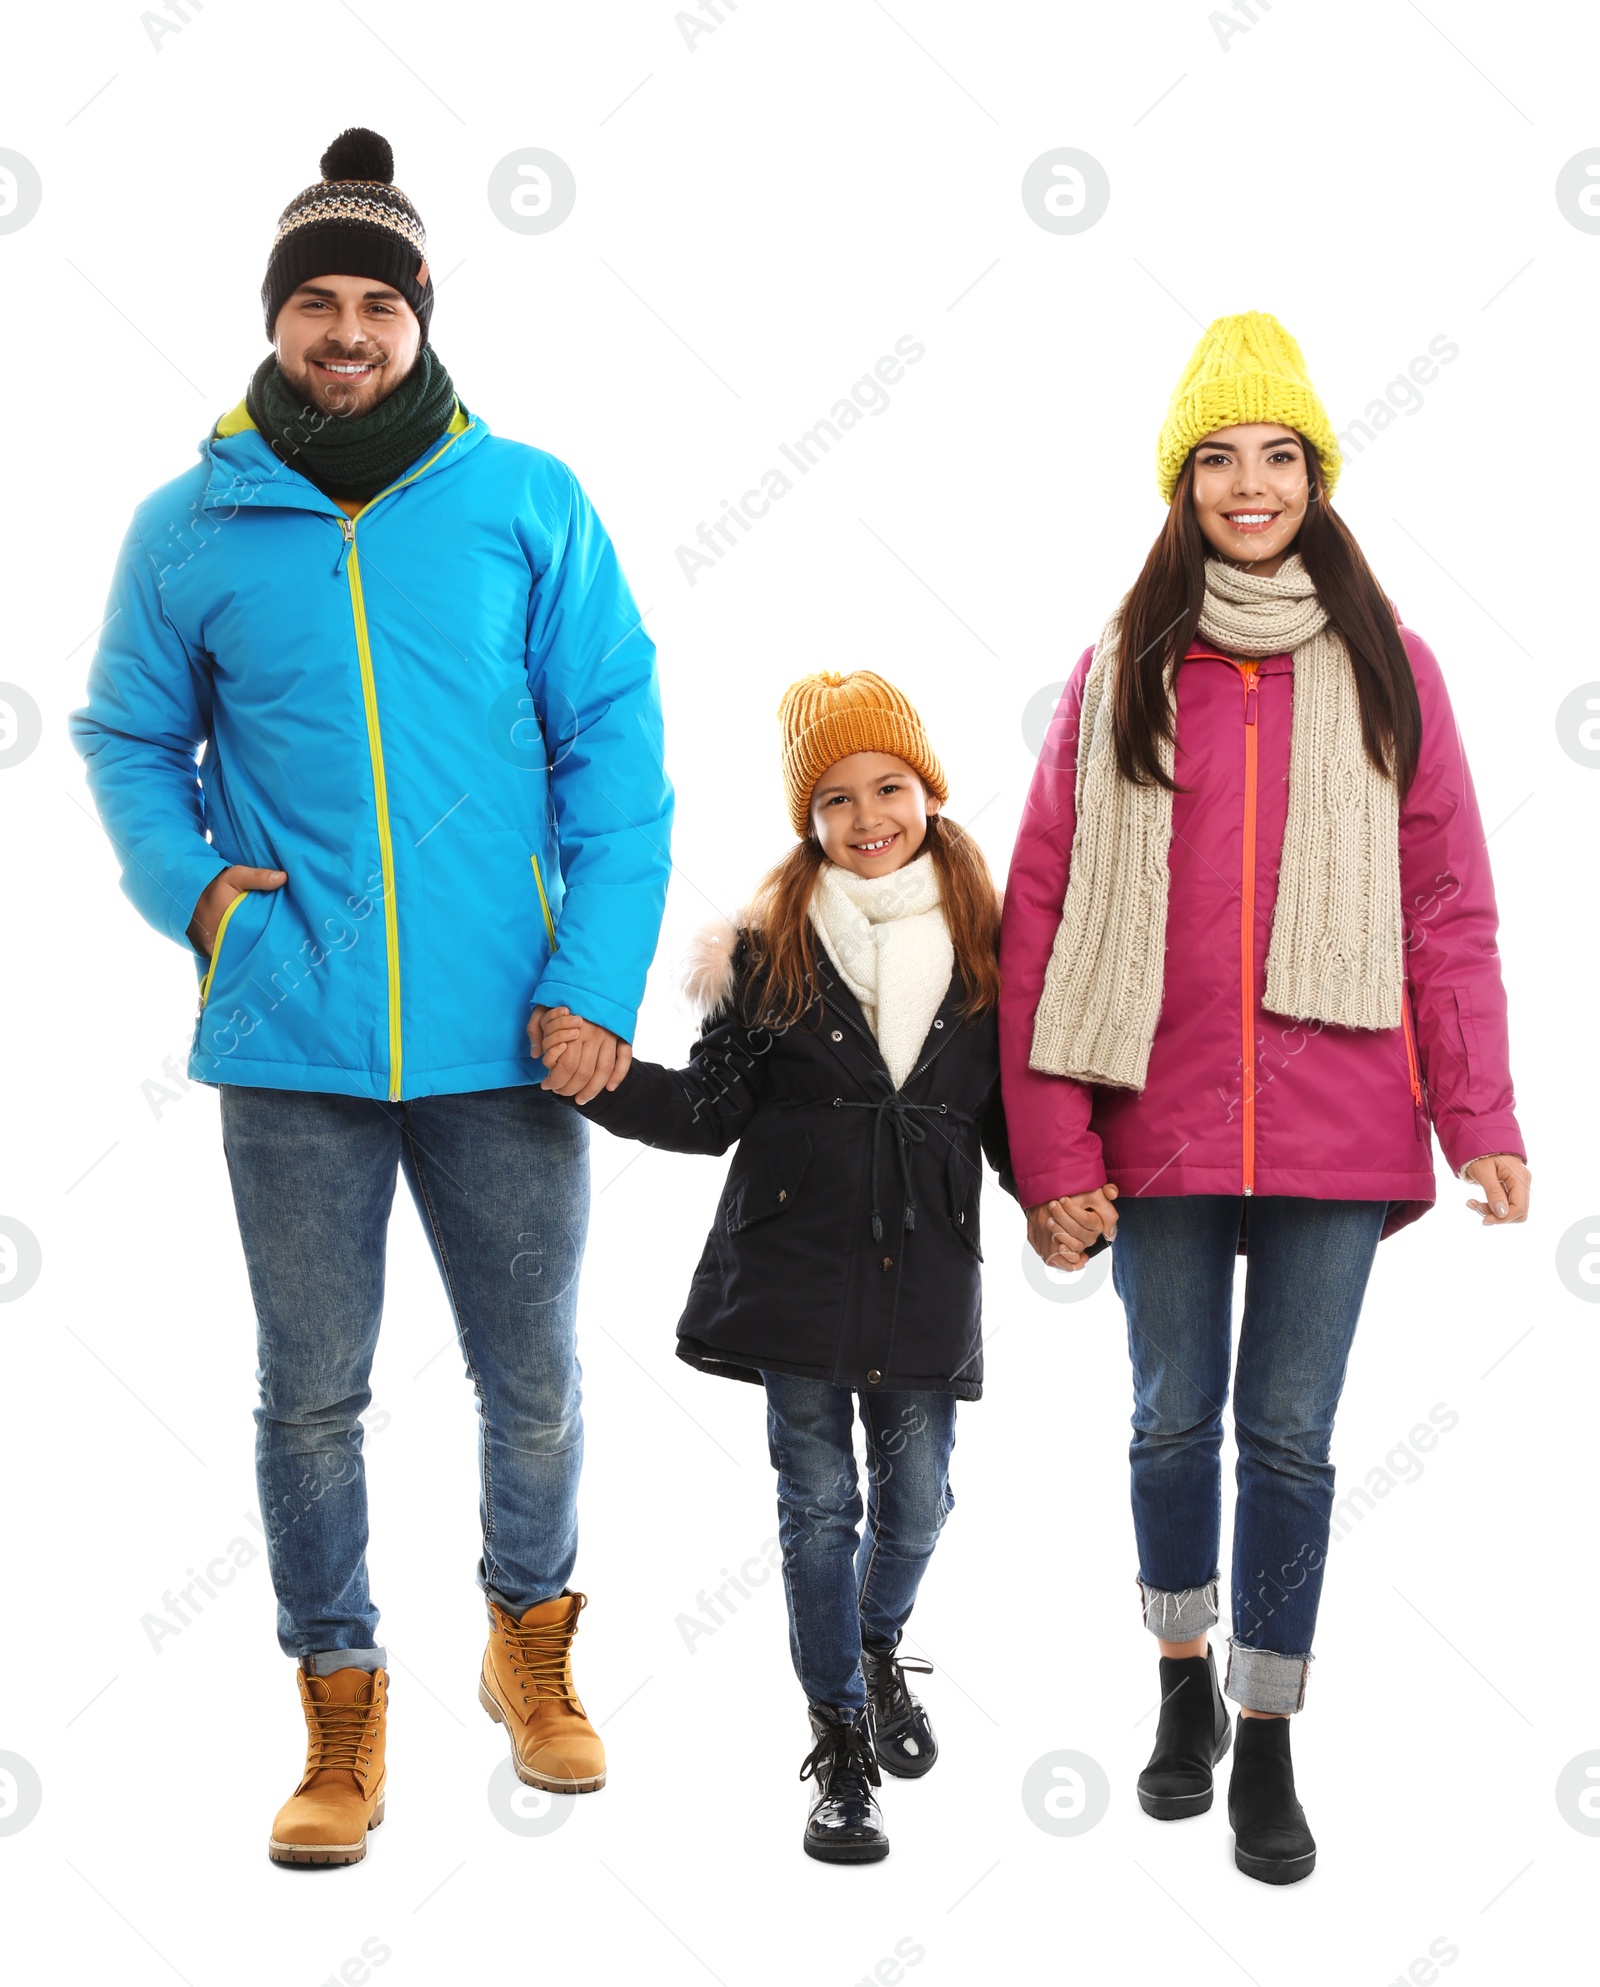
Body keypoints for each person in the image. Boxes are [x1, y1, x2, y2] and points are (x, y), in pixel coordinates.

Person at [69, 127, 673, 1865]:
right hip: (295, 1036)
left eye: (375, 303)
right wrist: (196, 893)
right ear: (277, 323)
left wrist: (594, 982)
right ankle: (339, 1697)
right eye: (314, 304)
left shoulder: (525, 500)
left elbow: (613, 749)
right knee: (312, 1392)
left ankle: (529, 1641)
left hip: (509, 1032)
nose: (345, 331)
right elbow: (123, 734)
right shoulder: (190, 523)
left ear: (420, 317)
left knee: (534, 1379)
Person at [998, 312, 1529, 1885]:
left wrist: (1482, 1112)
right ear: (1182, 481)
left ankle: (1271, 1728)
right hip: (1153, 1124)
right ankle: (1180, 1684)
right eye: (1218, 456)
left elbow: (1446, 901)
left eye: (1278, 453)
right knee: (1171, 1418)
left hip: (1339, 1121)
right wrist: (1051, 1155)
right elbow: (1042, 913)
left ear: (1317, 473)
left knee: (1289, 1438)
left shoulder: (1389, 664)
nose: (1250, 482)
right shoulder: (1118, 676)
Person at [539, 670, 1015, 1862]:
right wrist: (602, 1079)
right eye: (837, 799)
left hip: (927, 1281)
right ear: (808, 819)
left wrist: (1079, 1200)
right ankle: (840, 1741)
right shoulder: (769, 952)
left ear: (928, 793)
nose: (868, 818)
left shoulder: (992, 949)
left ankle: (870, 1642)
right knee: (817, 1508)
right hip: (791, 1277)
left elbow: (1015, 1121)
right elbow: (708, 1111)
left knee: (914, 1506)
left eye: (889, 788)